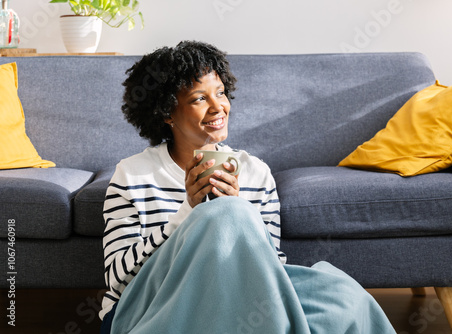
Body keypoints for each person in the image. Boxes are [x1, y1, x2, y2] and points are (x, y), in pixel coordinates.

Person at [99, 40, 396, 334]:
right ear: (166, 113)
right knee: (230, 213)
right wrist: (190, 212)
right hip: (149, 306)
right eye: (199, 99)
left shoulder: (255, 172)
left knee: (345, 298)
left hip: (239, 300)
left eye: (221, 93)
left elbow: (270, 271)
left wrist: (243, 223)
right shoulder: (133, 175)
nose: (218, 107)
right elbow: (118, 280)